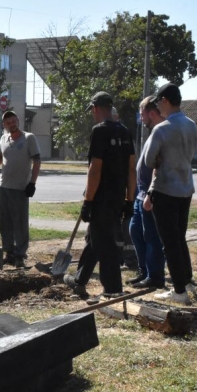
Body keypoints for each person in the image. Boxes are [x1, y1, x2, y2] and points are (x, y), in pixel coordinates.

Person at [64, 92, 136, 299]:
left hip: (101, 199)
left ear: (95, 108)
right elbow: (132, 170)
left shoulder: (99, 131)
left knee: (106, 244)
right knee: (95, 238)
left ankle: (113, 289)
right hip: (117, 199)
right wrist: (129, 200)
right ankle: (80, 279)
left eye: (92, 111)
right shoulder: (125, 132)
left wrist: (88, 201)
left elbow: (95, 169)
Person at [143, 83, 197, 303]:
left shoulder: (162, 129)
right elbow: (192, 154)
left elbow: (148, 160)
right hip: (185, 188)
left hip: (166, 189)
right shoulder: (192, 125)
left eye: (159, 103)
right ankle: (185, 281)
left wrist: (161, 158)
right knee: (179, 238)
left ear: (165, 101)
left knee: (169, 242)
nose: (159, 107)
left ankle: (178, 291)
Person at [0, 110, 41, 268]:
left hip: (21, 188)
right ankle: (9, 252)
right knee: (5, 223)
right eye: (8, 123)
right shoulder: (4, 138)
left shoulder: (28, 138)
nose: (11, 124)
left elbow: (37, 161)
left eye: (13, 121)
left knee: (20, 222)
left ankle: (20, 254)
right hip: (4, 187)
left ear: (18, 120)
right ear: (4, 125)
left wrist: (32, 183)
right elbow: (0, 162)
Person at [128, 96, 167, 289]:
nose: (140, 118)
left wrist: (150, 194)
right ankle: (144, 272)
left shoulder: (161, 132)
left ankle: (155, 277)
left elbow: (158, 166)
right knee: (135, 231)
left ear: (151, 113)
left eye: (142, 114)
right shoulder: (152, 133)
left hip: (149, 195)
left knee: (151, 236)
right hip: (140, 193)